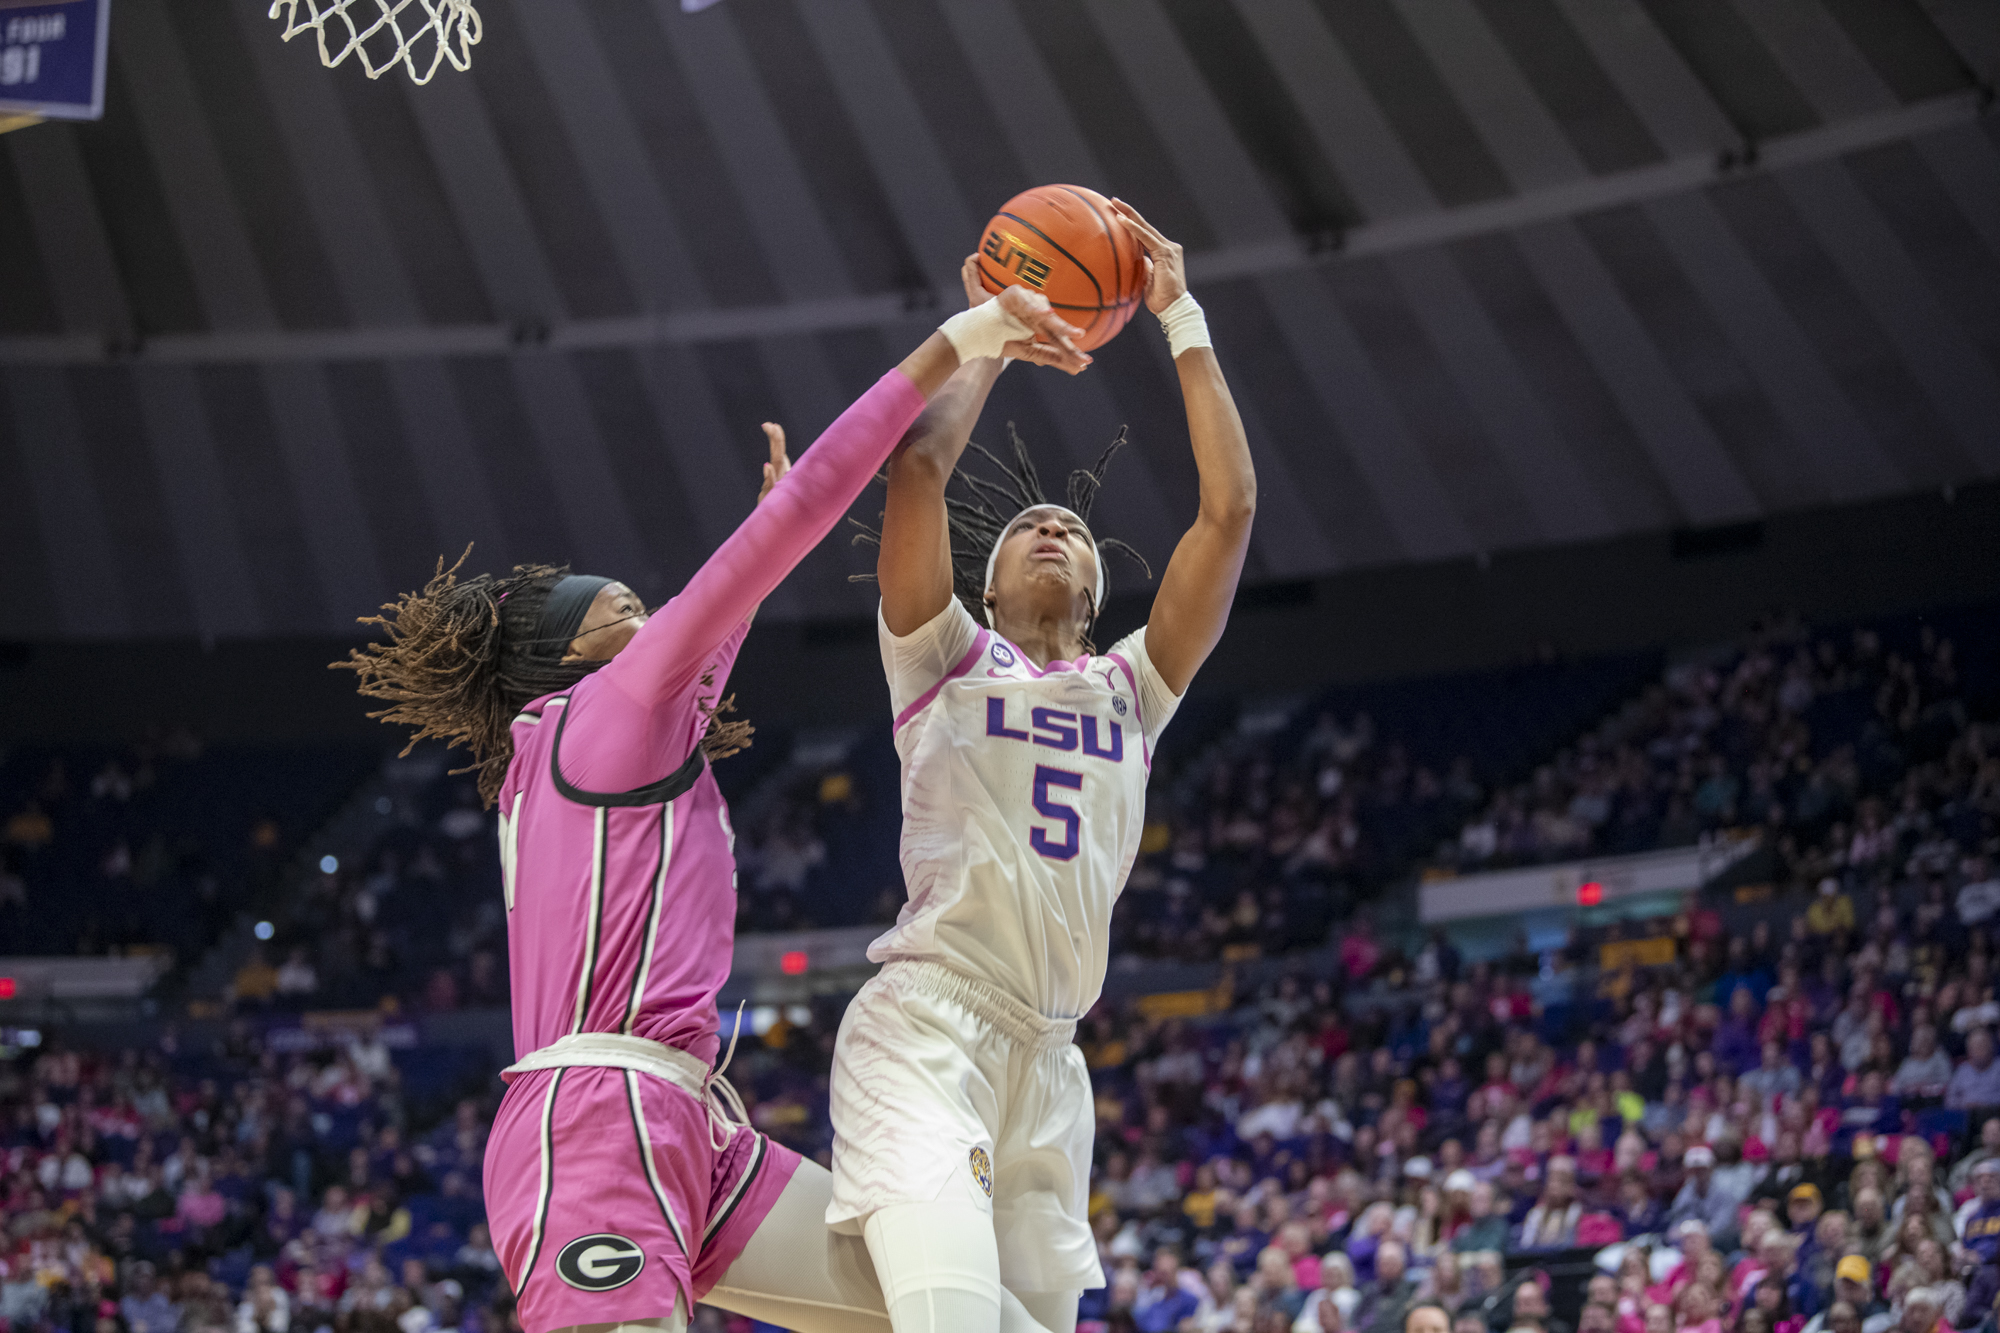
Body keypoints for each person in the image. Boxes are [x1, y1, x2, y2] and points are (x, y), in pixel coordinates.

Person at [341, 280, 1090, 1333]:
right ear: (577, 649)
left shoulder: (597, 732)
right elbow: (800, 520)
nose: (659, 625)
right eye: (630, 612)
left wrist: (758, 534)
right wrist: (964, 340)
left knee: (959, 1309)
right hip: (598, 1119)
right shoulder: (603, 716)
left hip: (691, 1124)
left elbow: (712, 636)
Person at [825, 200, 1256, 1333]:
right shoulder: (942, 655)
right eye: (1026, 527)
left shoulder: (1133, 688)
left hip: (1052, 1067)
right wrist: (989, 333)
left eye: (1069, 524)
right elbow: (915, 470)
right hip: (928, 1024)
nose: (1052, 526)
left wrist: (1179, 317)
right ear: (993, 581)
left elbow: (1230, 509)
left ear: (1099, 596)